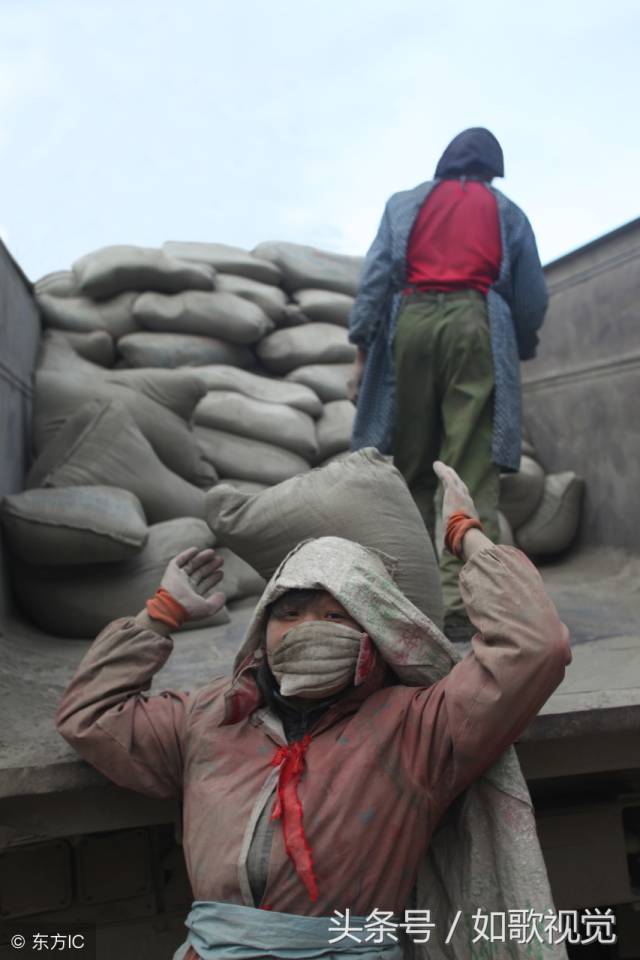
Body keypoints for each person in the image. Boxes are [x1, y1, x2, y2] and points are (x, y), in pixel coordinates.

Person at [55, 463, 571, 960]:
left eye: (335, 615)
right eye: (290, 612)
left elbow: (535, 648)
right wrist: (160, 614)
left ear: (376, 634)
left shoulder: (417, 728)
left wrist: (466, 538)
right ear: (262, 629)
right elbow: (93, 718)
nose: (307, 627)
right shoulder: (213, 716)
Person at [348, 128, 548, 643]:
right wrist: (520, 343)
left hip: (409, 323)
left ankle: (407, 596)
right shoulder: (506, 210)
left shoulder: (403, 203)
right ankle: (462, 601)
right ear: (491, 169)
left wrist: (361, 352)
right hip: (473, 322)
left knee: (410, 465)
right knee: (469, 465)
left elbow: (374, 280)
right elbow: (531, 297)